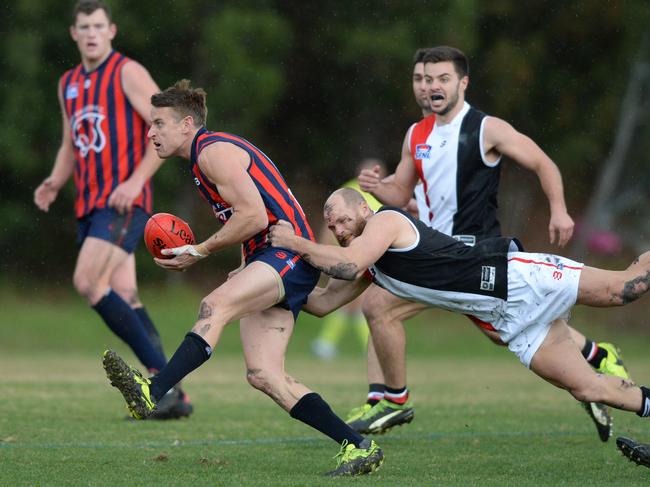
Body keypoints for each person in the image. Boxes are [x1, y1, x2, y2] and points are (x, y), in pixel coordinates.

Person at [101, 80, 384, 476]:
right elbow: (251, 215)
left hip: (286, 254)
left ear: (186, 124)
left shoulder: (212, 153)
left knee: (213, 306)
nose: (151, 133)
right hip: (269, 255)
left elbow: (251, 215)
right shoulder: (206, 156)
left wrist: (200, 250)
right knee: (264, 375)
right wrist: (245, 261)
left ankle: (152, 390)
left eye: (158, 124)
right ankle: (357, 446)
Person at [349, 45, 628, 439]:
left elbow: (542, 163)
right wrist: (381, 187)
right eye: (423, 79)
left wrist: (559, 209)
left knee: (491, 328)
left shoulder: (486, 128)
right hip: (431, 253)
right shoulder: (416, 134)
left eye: (442, 79)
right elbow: (401, 191)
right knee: (384, 305)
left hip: (472, 252)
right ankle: (386, 401)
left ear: (463, 82)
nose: (431, 87)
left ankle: (391, 401)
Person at [268, 188, 650, 468]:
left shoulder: (386, 221)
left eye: (343, 219)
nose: (337, 228)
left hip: (516, 278)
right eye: (331, 225)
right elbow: (320, 304)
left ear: (364, 209)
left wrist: (293, 242)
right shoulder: (370, 264)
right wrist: (268, 278)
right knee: (586, 387)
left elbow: (347, 263)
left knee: (624, 288)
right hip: (512, 322)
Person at [33, 0, 191, 419]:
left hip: (121, 201)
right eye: (83, 26)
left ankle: (159, 384)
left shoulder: (126, 72)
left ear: (111, 31)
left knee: (87, 281)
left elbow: (166, 125)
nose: (91, 33)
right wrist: (55, 180)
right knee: (124, 294)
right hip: (90, 204)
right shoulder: (68, 82)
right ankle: (174, 394)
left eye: (98, 25)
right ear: (74, 33)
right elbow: (72, 143)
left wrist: (137, 180)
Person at [310, 158, 386, 360]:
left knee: (354, 303)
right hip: (355, 253)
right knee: (355, 301)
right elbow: (333, 224)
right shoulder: (349, 193)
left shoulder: (383, 193)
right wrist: (325, 252)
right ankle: (367, 346)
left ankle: (327, 343)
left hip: (372, 253)